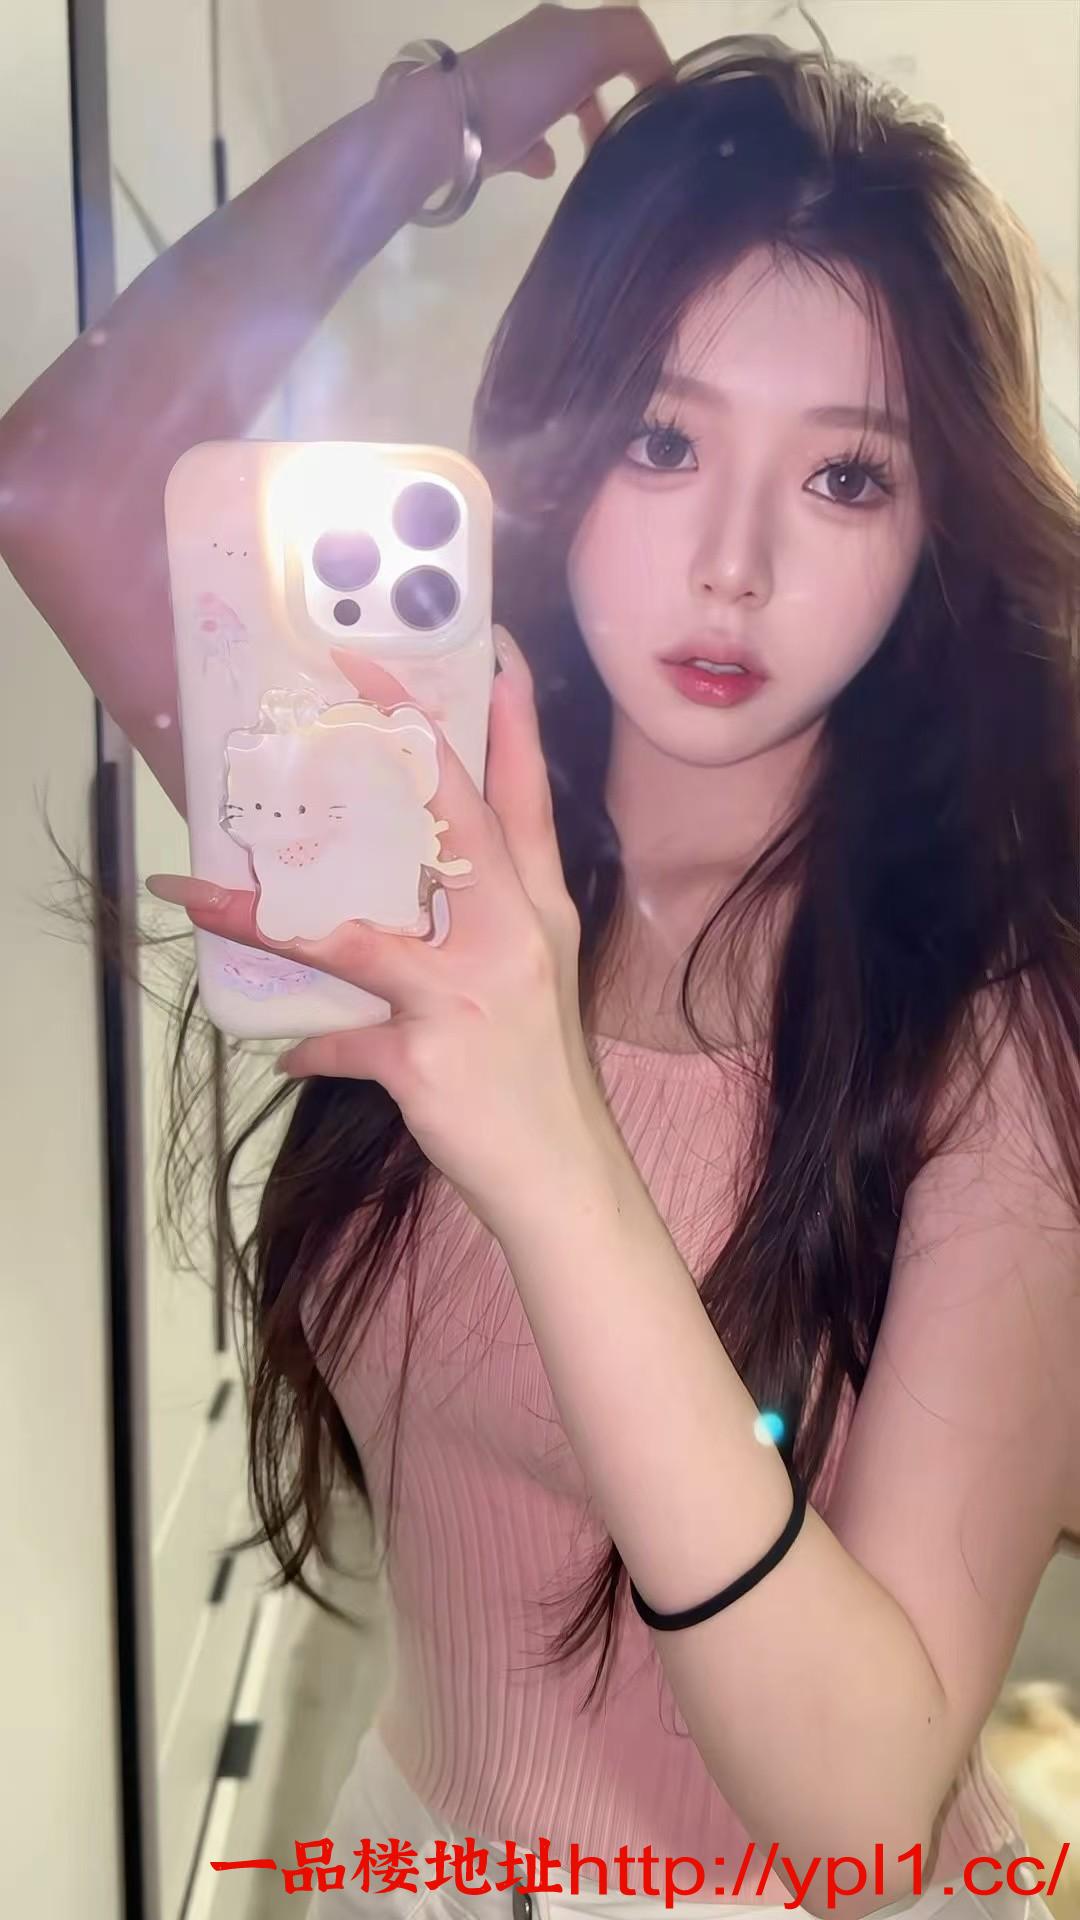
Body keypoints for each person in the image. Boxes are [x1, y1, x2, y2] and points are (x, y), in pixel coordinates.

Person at [1, 8, 1077, 1920]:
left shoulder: (994, 1015)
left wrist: (546, 1134)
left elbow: (863, 1815)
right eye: (664, 437)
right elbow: (66, 479)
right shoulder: (411, 822)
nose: (735, 563)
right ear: (565, 441)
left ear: (934, 530)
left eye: (845, 478)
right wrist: (456, 110)